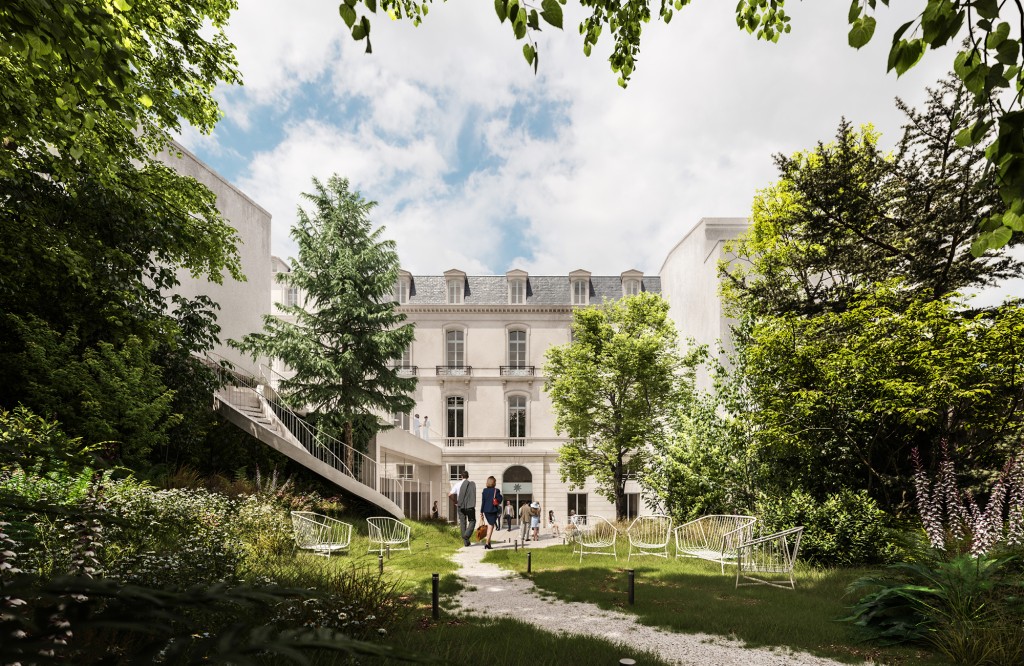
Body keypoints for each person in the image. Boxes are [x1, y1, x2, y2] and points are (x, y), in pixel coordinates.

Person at [448, 470, 476, 547]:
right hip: (469, 506)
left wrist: (456, 502)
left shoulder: (457, 484)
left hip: (460, 506)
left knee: (463, 523)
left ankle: (466, 542)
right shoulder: (471, 485)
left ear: (461, 476)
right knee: (472, 520)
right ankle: (466, 536)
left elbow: (449, 494)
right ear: (468, 477)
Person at [480, 476, 503, 549]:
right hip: (493, 510)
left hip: (486, 510)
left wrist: (481, 512)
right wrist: (498, 497)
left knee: (490, 525)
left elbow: (483, 501)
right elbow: (500, 500)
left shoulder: (484, 490)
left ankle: (488, 543)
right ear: (494, 483)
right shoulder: (496, 490)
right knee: (491, 526)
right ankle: (487, 543)